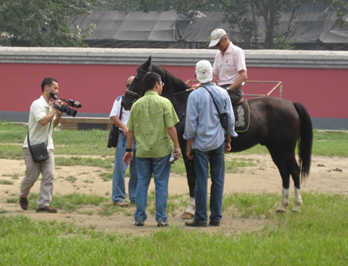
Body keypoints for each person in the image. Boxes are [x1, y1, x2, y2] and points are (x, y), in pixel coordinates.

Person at [123, 72, 181, 227]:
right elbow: (171, 127)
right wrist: (177, 147)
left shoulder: (136, 104)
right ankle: (161, 218)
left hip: (142, 151)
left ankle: (140, 217)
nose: (162, 86)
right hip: (161, 151)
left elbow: (130, 130)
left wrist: (129, 149)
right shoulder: (164, 103)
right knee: (161, 184)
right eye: (161, 83)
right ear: (157, 84)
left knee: (142, 183)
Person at [184, 60, 237, 227]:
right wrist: (228, 140)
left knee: (201, 180)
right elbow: (230, 120)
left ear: (197, 75)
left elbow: (191, 124)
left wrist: (188, 145)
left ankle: (200, 217)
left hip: (200, 144)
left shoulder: (194, 95)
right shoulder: (223, 93)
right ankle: (216, 217)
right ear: (212, 74)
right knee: (218, 180)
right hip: (219, 142)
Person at [19, 77, 63, 213]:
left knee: (49, 175)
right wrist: (55, 110)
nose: (57, 91)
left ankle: (43, 204)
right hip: (32, 147)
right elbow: (43, 121)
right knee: (31, 177)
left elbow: (52, 125)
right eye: (55, 88)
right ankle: (23, 195)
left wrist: (59, 114)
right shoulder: (37, 104)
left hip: (47, 146)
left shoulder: (51, 106)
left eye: (57, 89)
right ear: (46, 88)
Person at [193, 28, 247, 104]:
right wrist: (200, 84)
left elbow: (243, 76)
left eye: (218, 44)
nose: (217, 47)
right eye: (215, 45)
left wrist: (228, 89)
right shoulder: (218, 54)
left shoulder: (237, 52)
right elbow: (213, 75)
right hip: (221, 88)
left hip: (233, 90)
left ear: (225, 39)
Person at [109, 76, 138, 207]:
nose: (129, 88)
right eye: (128, 85)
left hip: (139, 138)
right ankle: (118, 197)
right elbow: (113, 115)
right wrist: (124, 127)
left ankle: (135, 197)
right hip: (124, 138)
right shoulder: (120, 100)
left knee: (137, 170)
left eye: (132, 85)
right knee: (120, 169)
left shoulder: (141, 101)